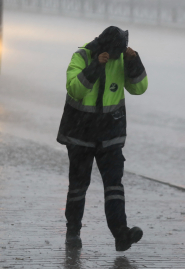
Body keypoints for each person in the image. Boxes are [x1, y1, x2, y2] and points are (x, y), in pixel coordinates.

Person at [57, 26, 148, 251]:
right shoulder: (81, 56)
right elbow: (75, 89)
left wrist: (134, 61)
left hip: (110, 136)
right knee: (78, 186)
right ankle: (73, 231)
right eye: (115, 52)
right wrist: (96, 65)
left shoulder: (120, 59)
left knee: (114, 186)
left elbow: (139, 88)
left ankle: (121, 234)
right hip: (81, 135)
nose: (117, 55)